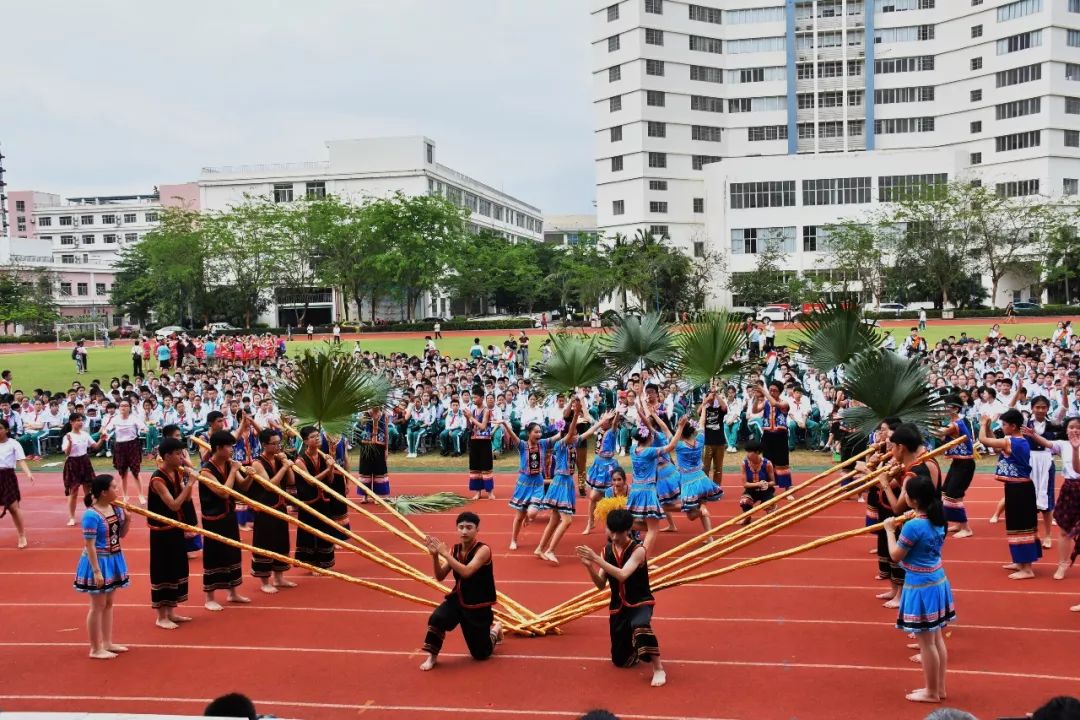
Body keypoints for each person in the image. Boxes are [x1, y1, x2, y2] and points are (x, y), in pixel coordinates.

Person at [883, 474, 954, 704]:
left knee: (927, 643)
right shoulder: (938, 517)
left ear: (913, 500)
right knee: (936, 639)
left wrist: (889, 530)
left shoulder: (914, 525)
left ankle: (931, 691)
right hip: (937, 580)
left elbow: (895, 555)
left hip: (921, 585)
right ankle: (939, 688)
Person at [575, 508, 666, 687]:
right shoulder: (607, 551)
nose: (614, 536)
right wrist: (589, 566)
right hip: (618, 606)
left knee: (639, 625)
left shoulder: (638, 550)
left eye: (619, 532)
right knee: (620, 661)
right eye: (611, 531)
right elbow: (601, 585)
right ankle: (635, 645)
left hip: (640, 602)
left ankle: (658, 667)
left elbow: (623, 575)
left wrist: (596, 559)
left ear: (628, 530)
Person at [419, 511, 502, 671]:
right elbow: (440, 576)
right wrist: (435, 556)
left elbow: (466, 572)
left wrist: (445, 554)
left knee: (481, 654)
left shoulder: (483, 550)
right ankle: (432, 656)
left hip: (478, 603)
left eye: (469, 527)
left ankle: (496, 629)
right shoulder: (454, 550)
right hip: (459, 598)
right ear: (457, 529)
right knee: (437, 618)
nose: (464, 531)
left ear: (477, 530)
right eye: (461, 527)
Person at [73, 474, 131, 659]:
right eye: (114, 487)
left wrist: (127, 519)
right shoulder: (91, 515)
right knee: (97, 605)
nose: (118, 490)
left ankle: (107, 642)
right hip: (97, 561)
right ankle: (95, 648)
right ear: (104, 492)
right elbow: (89, 545)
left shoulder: (116, 509)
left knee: (108, 603)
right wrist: (97, 571)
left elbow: (120, 535)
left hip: (114, 558)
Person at [979, 408, 1041, 579]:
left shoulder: (1012, 442)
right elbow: (993, 441)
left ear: (1013, 426)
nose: (1003, 427)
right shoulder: (1014, 440)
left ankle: (1027, 568)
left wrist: (983, 424)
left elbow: (983, 440)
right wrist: (990, 427)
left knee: (1022, 527)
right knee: (1015, 526)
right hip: (1017, 488)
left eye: (1005, 424)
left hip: (1020, 490)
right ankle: (1020, 561)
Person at [199, 430, 251, 611]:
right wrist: (235, 470)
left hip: (229, 515)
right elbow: (223, 492)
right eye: (229, 446)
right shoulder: (206, 470)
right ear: (218, 448)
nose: (232, 450)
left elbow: (242, 488)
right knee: (214, 555)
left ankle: (233, 592)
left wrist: (250, 476)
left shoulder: (230, 465)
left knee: (232, 552)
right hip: (213, 518)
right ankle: (210, 597)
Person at [148, 437, 197, 629]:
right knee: (164, 569)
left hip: (176, 527)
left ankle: (171, 611)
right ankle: (161, 616)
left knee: (177, 567)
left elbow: (185, 500)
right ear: (167, 456)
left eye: (182, 453)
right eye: (178, 454)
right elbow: (174, 504)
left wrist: (187, 480)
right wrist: (190, 483)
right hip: (162, 532)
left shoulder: (176, 473)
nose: (181, 457)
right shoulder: (158, 479)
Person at [1028, 417, 1080, 583]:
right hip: (1069, 490)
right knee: (1064, 531)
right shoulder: (1063, 445)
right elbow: (1047, 443)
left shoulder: (1075, 447)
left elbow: (1078, 468)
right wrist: (1033, 435)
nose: (1074, 430)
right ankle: (1062, 564)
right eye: (1071, 427)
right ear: (1066, 430)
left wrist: (1076, 450)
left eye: (1078, 428)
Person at [248, 428, 296, 593]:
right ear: (264, 444)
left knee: (281, 540)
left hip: (281, 506)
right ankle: (264, 580)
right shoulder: (257, 463)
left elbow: (291, 481)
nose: (277, 447)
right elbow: (269, 486)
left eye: (279, 443)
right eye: (274, 444)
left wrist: (286, 465)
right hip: (266, 508)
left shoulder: (279, 459)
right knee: (265, 542)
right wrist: (283, 468)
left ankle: (279, 577)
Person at [500, 420, 555, 550]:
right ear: (529, 433)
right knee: (519, 516)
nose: (539, 434)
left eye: (540, 432)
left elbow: (558, 437)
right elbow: (513, 436)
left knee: (532, 514)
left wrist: (564, 427)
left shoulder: (542, 444)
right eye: (536, 432)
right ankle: (513, 539)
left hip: (538, 483)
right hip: (524, 483)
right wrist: (505, 424)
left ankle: (528, 516)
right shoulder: (522, 445)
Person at [294, 425, 336, 570]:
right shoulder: (300, 461)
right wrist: (328, 469)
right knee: (310, 532)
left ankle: (325, 562)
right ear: (305, 441)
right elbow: (311, 481)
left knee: (325, 529)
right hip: (309, 501)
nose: (317, 438)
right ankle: (312, 564)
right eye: (313, 437)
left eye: (318, 435)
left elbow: (330, 481)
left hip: (323, 499)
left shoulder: (324, 456)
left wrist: (331, 468)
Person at [933, 397, 976, 538]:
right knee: (947, 492)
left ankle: (966, 528)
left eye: (948, 406)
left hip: (965, 464)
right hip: (958, 462)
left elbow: (939, 433)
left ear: (956, 409)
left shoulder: (956, 424)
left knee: (953, 494)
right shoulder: (952, 423)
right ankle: (958, 523)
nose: (945, 409)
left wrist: (926, 422)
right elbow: (943, 437)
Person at [63, 412, 110, 526]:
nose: (80, 422)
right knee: (73, 492)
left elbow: (95, 447)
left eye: (81, 420)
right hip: (72, 463)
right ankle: (72, 517)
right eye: (78, 420)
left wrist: (102, 439)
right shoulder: (68, 436)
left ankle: (91, 514)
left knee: (88, 491)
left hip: (84, 461)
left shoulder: (85, 434)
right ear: (71, 422)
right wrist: (70, 442)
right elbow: (66, 453)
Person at [102, 399, 147, 504]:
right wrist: (104, 433)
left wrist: (146, 429)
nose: (123, 407)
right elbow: (106, 429)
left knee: (136, 472)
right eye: (121, 406)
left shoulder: (134, 418)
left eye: (126, 405)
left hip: (133, 445)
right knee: (123, 473)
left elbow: (144, 427)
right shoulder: (115, 419)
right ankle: (125, 495)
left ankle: (140, 495)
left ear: (130, 408)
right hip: (120, 447)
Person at [0, 418, 34, 549]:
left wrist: (28, 473)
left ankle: (21, 535)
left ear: (7, 430)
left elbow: (21, 460)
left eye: (0, 428)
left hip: (7, 476)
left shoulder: (13, 443)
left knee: (13, 508)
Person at [357, 407, 391, 499]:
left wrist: (386, 449)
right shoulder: (364, 414)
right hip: (366, 446)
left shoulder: (385, 415)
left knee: (379, 470)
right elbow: (360, 427)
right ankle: (365, 495)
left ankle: (379, 494)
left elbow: (386, 433)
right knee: (365, 470)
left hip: (380, 447)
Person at [738, 439, 775, 521]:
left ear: (757, 452)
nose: (747, 454)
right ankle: (747, 516)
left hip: (766, 491)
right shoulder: (744, 464)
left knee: (771, 517)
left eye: (750, 452)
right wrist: (758, 484)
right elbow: (745, 484)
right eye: (747, 451)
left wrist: (766, 484)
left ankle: (771, 508)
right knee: (744, 501)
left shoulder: (767, 464)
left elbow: (773, 482)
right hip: (751, 491)